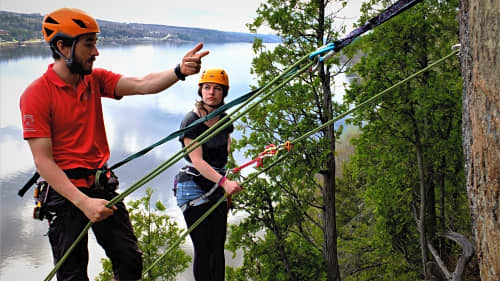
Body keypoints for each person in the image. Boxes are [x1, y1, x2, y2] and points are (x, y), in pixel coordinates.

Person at [19, 8, 208, 281]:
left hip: (100, 183)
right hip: (65, 194)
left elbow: (143, 84)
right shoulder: (37, 94)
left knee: (129, 260)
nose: (96, 52)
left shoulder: (93, 80)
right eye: (89, 44)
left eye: (96, 43)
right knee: (72, 275)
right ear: (62, 46)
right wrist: (84, 203)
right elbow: (43, 161)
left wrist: (179, 71)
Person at [175, 68, 243, 281]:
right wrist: (225, 183)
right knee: (204, 249)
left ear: (224, 93)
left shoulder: (224, 120)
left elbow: (224, 155)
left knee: (217, 248)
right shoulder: (191, 121)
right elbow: (198, 161)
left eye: (216, 89)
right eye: (207, 88)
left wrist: (225, 185)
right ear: (200, 91)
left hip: (215, 186)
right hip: (194, 189)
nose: (211, 92)